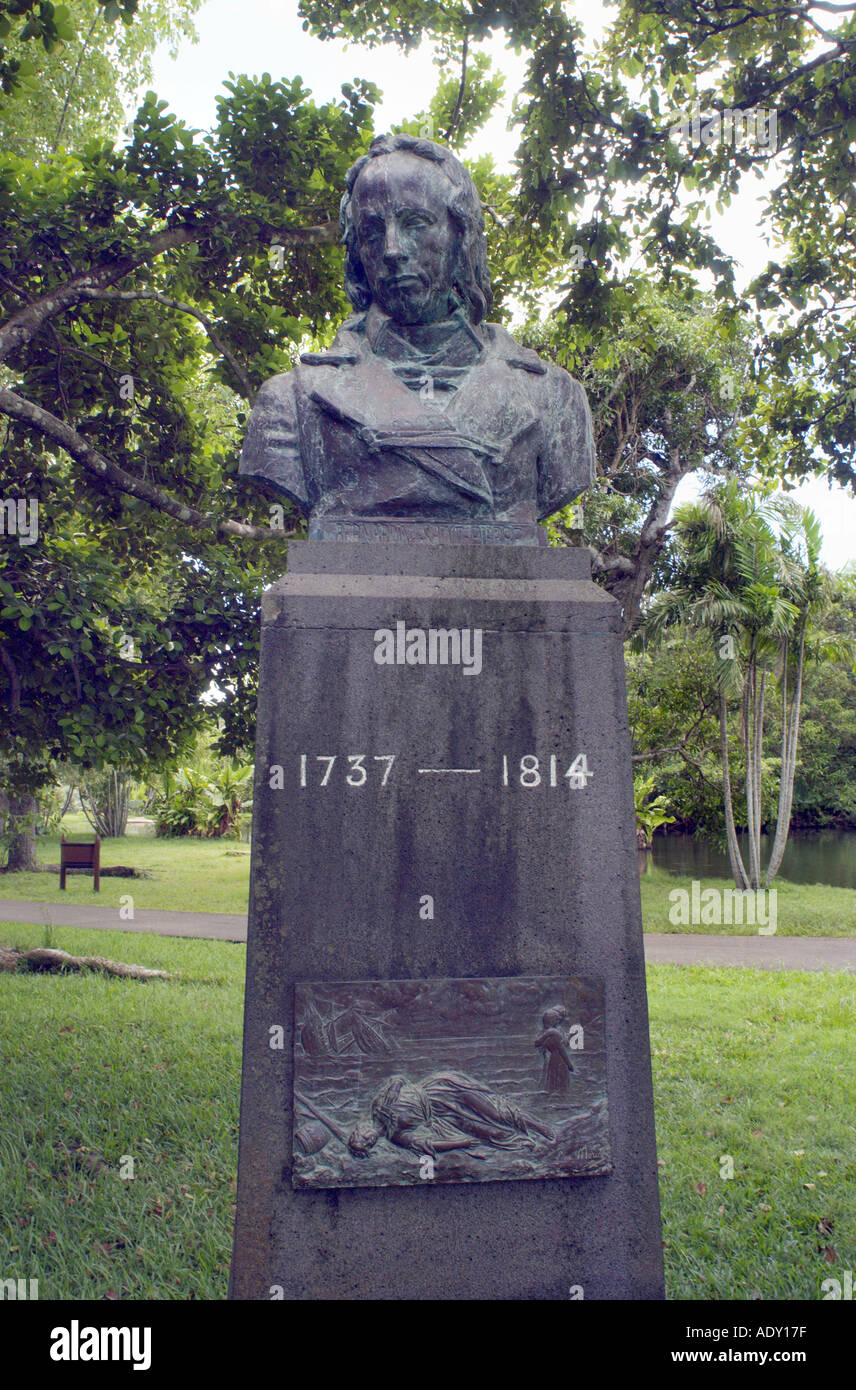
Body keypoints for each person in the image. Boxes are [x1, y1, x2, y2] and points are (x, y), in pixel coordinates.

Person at [239, 133, 595, 543]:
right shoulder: (290, 401)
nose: (392, 249)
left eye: (415, 223)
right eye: (372, 231)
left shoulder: (553, 397)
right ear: (357, 251)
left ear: (461, 237)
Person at [347, 1069, 555, 1158]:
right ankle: (528, 1143)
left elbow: (398, 1079)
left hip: (440, 1089)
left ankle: (539, 1127)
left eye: (362, 1139)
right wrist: (460, 1144)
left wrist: (395, 1086)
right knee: (487, 1132)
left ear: (360, 1130)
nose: (369, 1140)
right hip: (442, 1114)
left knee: (496, 1112)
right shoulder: (396, 1137)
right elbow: (428, 1145)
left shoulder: (377, 1105)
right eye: (368, 1145)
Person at [534, 1006, 576, 1095]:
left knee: (553, 1077)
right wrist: (569, 1064)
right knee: (561, 1077)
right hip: (559, 1059)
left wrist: (569, 1036)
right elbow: (562, 1050)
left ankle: (555, 1093)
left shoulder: (552, 1032)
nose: (559, 1021)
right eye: (557, 1019)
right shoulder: (553, 1033)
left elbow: (564, 1043)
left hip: (553, 1059)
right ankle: (560, 1095)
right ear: (551, 1020)